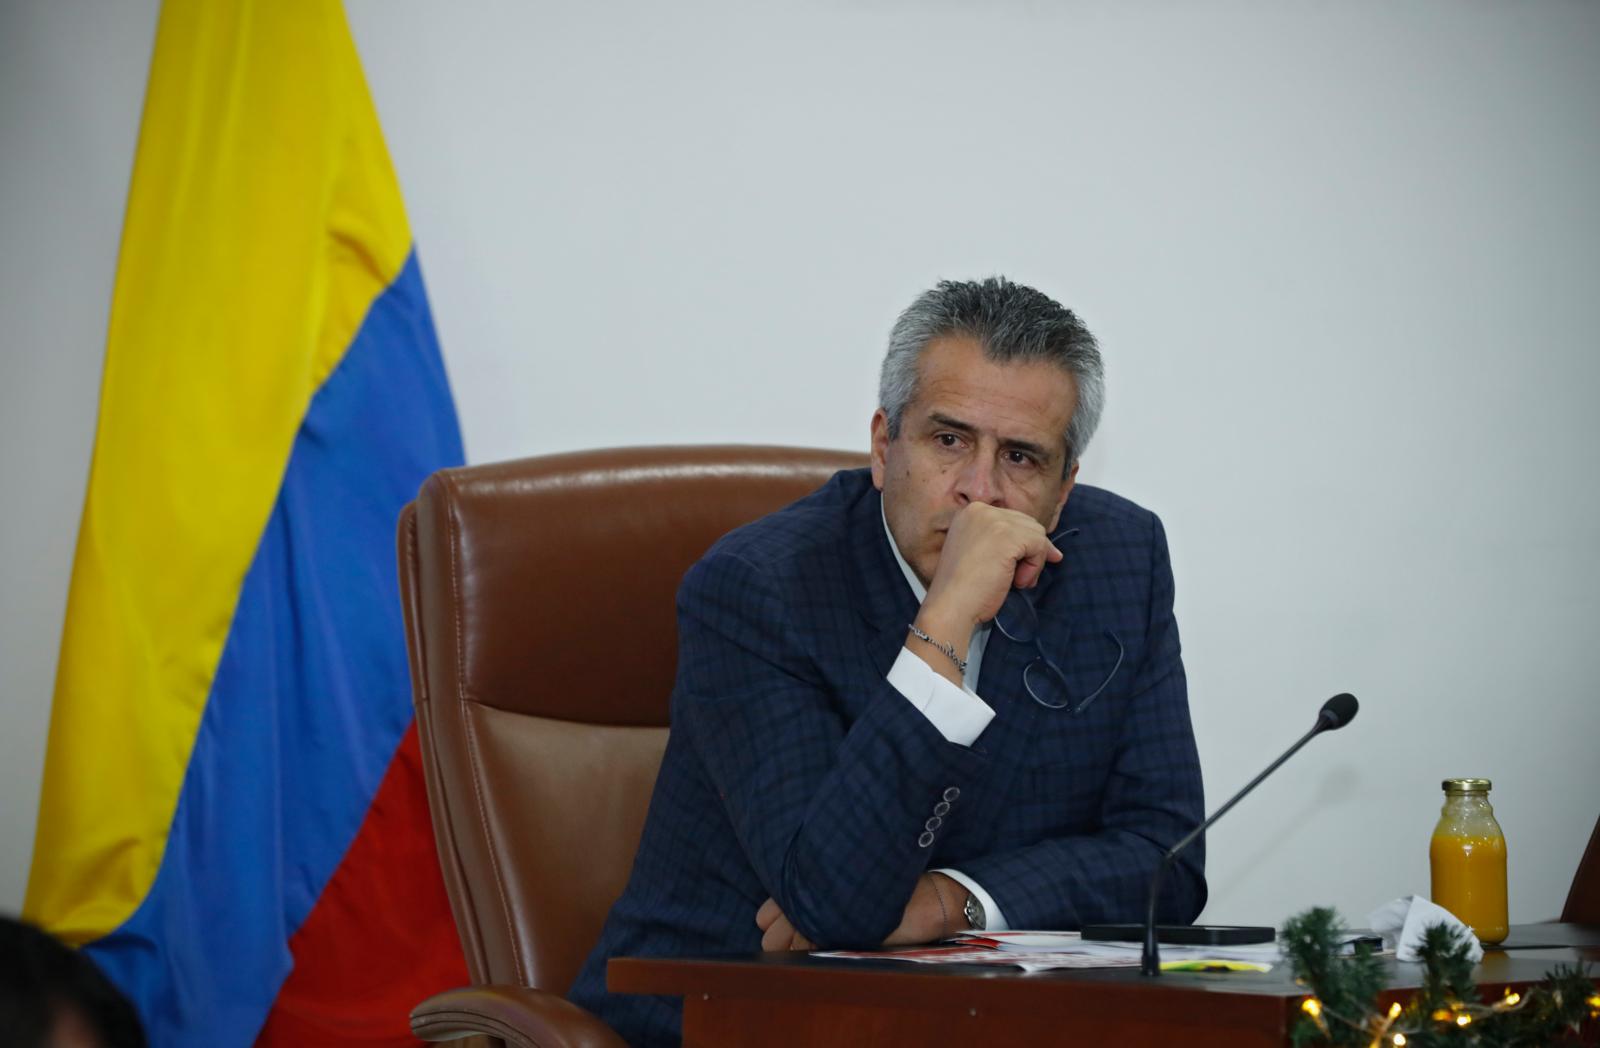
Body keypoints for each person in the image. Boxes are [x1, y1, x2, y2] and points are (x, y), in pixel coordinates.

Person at [568, 277, 1206, 1045]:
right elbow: (833, 903)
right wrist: (946, 616)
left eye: (1021, 457)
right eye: (949, 441)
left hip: (969, 1027)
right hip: (722, 1022)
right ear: (882, 446)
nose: (980, 492)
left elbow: (1166, 860)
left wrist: (948, 900)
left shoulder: (1120, 560)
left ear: (1064, 489)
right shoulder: (759, 589)